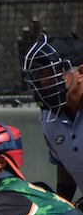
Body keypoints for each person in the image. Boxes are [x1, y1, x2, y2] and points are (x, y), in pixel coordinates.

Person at [21, 33, 83, 202]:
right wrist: (62, 203)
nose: (44, 81)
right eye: (41, 74)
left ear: (80, 73)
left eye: (52, 72)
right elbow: (65, 163)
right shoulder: (49, 117)